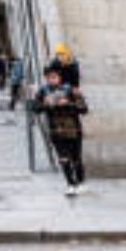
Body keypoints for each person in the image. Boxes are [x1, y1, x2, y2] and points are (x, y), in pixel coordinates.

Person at [33, 65, 89, 195]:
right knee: (63, 158)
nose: (51, 80)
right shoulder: (43, 91)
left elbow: (84, 109)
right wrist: (47, 104)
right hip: (56, 131)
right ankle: (70, 184)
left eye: (54, 77)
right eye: (48, 77)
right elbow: (35, 108)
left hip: (74, 129)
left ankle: (80, 182)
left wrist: (68, 103)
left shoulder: (70, 90)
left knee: (76, 158)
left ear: (60, 77)